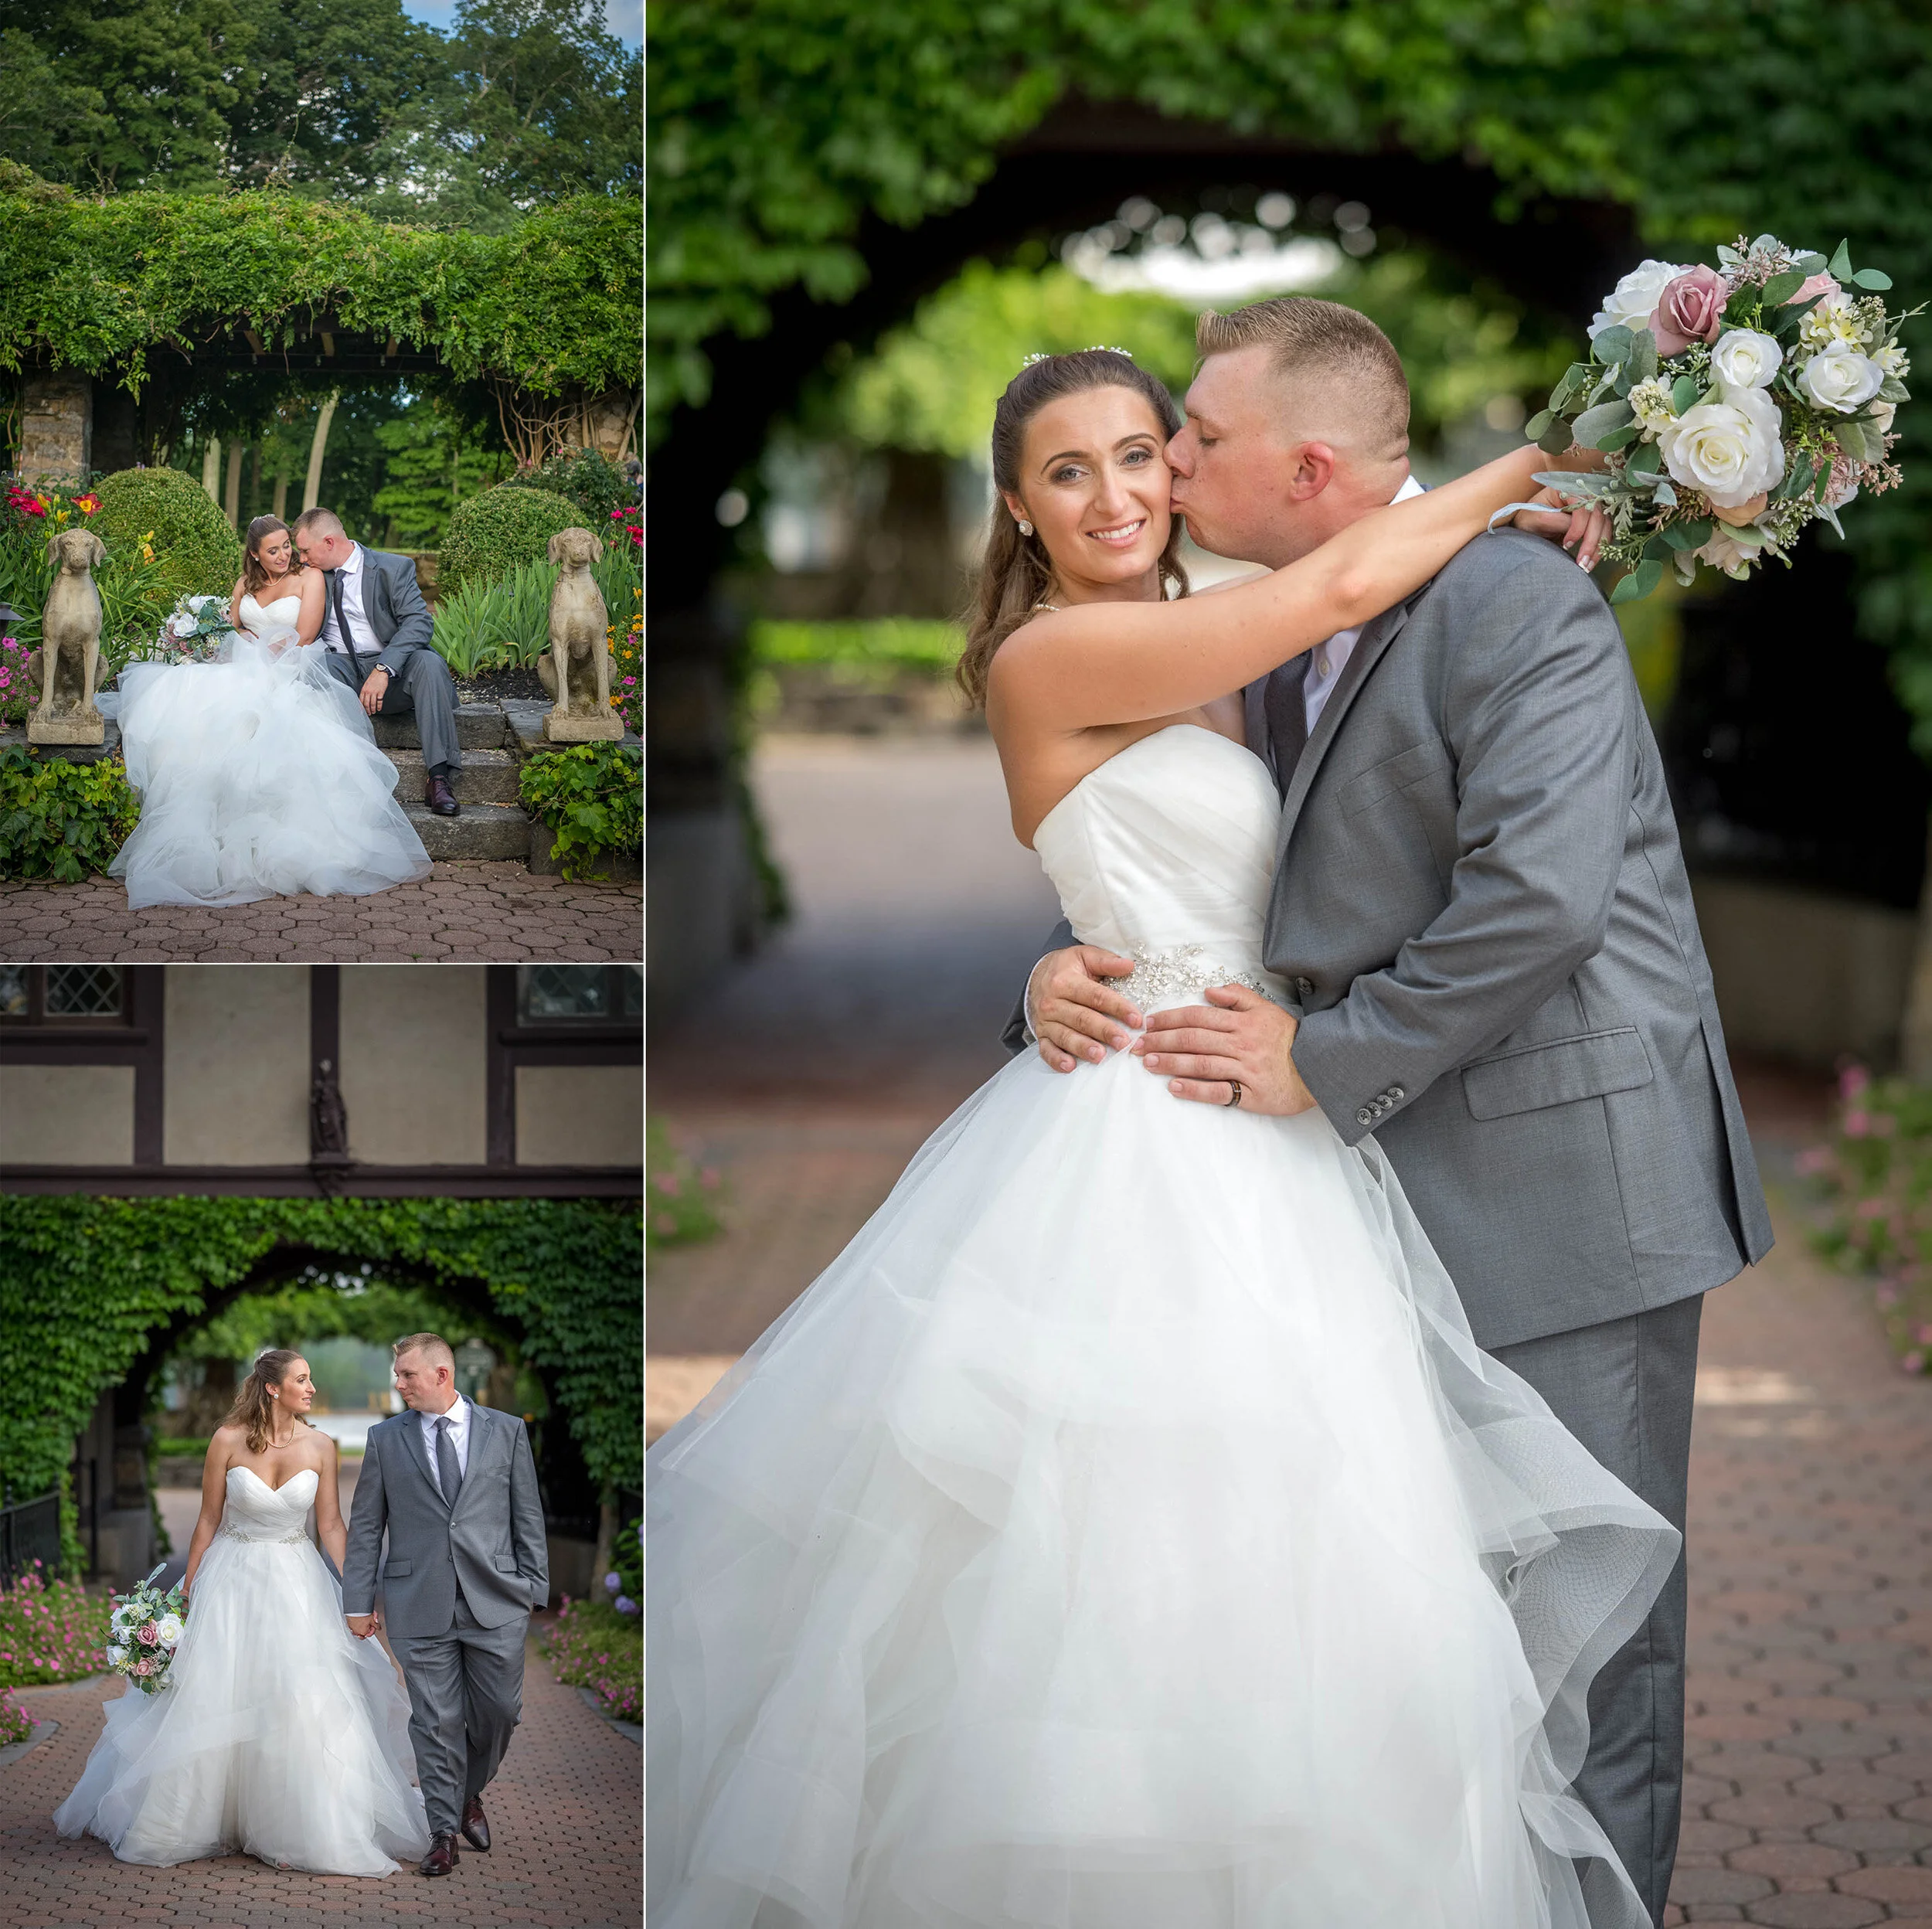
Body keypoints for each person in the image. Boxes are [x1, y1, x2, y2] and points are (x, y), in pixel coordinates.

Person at [648, 344, 1682, 1928]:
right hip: (1157, 1139)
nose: (1124, 490)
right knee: (1124, 1567)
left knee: (1324, 1581)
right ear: (1014, 506)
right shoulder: (1049, 659)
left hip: (1278, 1118)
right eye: (1070, 471)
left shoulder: (1205, 627)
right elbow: (1320, 598)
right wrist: (1536, 473)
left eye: (1147, 451)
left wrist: (1068, 960)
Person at [1014, 301, 1774, 1924]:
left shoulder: (1510, 600)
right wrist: (1053, 975)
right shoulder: (1253, 619)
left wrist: (1322, 1061)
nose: (1161, 464)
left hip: (1564, 1183)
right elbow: (1202, 880)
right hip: (1349, 1206)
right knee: (1411, 1641)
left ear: (1298, 465)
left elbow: (1541, 899)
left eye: (1186, 439)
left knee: (1588, 1633)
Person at [53, 1350, 429, 1875]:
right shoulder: (226, 1440)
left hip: (298, 1586)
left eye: (311, 1378)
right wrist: (185, 1596)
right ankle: (195, 1819)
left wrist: (357, 1598)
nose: (312, 1386)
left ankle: (293, 1824)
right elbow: (207, 1522)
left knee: (298, 1698)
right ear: (272, 1388)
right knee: (214, 1692)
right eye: (302, 1378)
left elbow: (333, 1528)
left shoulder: (322, 1445)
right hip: (230, 1583)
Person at [108, 513, 432, 906]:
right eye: (273, 550)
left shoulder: (308, 577)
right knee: (187, 698)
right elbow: (234, 627)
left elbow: (307, 633)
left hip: (290, 664)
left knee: (262, 716)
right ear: (255, 555)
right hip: (244, 664)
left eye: (286, 546)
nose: (283, 555)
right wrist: (238, 642)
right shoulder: (244, 583)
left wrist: (264, 649)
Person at [341, 1333, 549, 1880]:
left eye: (407, 1374)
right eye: (397, 1374)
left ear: (441, 1375)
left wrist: (534, 1589)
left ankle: (466, 1792)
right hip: (416, 1600)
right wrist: (356, 1602)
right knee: (435, 1721)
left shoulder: (506, 1431)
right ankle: (441, 1832)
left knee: (501, 1712)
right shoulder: (385, 1438)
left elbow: (526, 1513)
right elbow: (366, 1526)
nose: (398, 1383)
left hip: (497, 1599)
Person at [289, 507, 466, 818]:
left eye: (305, 550)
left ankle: (439, 777)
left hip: (391, 673)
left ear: (329, 542)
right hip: (340, 668)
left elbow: (419, 624)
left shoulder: (391, 568)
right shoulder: (311, 576)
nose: (301, 558)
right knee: (311, 668)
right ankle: (337, 780)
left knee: (429, 663)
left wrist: (384, 668)